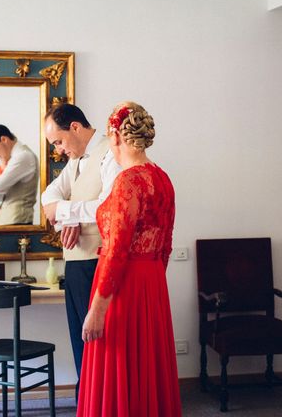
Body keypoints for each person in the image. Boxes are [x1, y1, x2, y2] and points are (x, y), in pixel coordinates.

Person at [77, 102, 182, 417]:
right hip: (151, 285)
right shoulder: (162, 179)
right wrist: (152, 291)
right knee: (145, 364)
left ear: (114, 135)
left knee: (120, 363)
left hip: (121, 287)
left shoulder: (128, 181)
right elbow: (165, 246)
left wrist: (96, 310)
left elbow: (117, 251)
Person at [41, 104, 121, 397]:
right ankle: (87, 402)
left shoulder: (110, 154)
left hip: (98, 264)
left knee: (100, 342)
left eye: (58, 142)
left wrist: (68, 214)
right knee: (80, 343)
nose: (59, 151)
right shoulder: (74, 161)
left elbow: (110, 206)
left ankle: (104, 402)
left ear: (75, 127)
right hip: (75, 266)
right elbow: (47, 197)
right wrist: (69, 216)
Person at [0, 124, 38, 225]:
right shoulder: (17, 156)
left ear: (4, 139)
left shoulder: (23, 156)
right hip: (11, 221)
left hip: (17, 221)